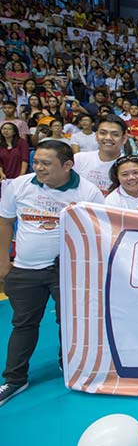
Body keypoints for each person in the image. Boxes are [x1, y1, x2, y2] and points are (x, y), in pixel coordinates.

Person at [0, 140, 104, 407]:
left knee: (69, 323)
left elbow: (99, 231)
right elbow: (5, 221)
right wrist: (2, 262)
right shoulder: (19, 185)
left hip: (67, 271)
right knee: (23, 325)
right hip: (25, 269)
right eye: (36, 162)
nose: (39, 168)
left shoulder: (88, 192)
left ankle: (67, 366)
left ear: (67, 165)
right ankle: (14, 379)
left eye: (46, 163)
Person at [73, 114, 129, 194]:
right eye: (103, 133)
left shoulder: (129, 166)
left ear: (124, 138)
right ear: (96, 136)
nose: (108, 138)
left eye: (115, 134)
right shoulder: (79, 159)